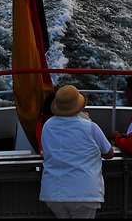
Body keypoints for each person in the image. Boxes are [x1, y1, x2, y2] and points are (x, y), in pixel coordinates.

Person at [39, 85, 114, 219]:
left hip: (53, 193)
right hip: (83, 193)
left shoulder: (47, 126)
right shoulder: (91, 127)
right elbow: (109, 153)